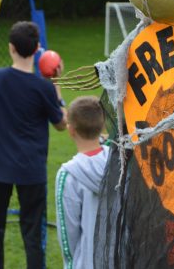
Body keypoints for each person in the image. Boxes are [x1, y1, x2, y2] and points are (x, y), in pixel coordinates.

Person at [0, 21, 67, 269]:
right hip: (31, 170)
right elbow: (62, 123)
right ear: (38, 48)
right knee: (32, 234)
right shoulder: (43, 88)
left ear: (10, 48)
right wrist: (56, 82)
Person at [55, 96, 109, 269]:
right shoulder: (119, 161)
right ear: (102, 127)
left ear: (71, 130)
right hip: (119, 258)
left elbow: (68, 233)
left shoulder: (68, 175)